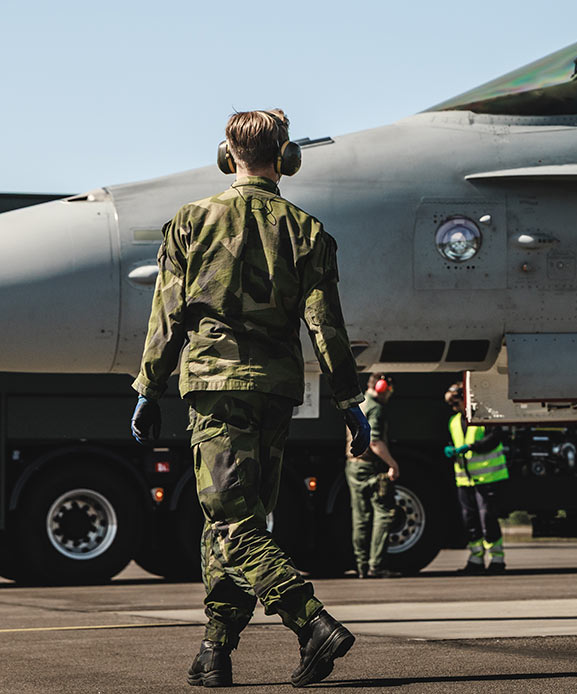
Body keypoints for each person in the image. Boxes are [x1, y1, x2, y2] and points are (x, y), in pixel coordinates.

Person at [129, 108, 371, 688]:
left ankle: (310, 621)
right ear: (286, 158)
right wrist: (348, 400)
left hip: (216, 390)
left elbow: (166, 315)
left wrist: (148, 387)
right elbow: (326, 326)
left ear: (226, 153)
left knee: (230, 519)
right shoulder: (307, 230)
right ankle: (216, 651)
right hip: (276, 391)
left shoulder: (190, 222)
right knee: (239, 520)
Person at [443, 382, 509, 573]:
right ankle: (476, 559)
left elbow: (494, 438)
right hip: (465, 479)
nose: (454, 408)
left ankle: (497, 560)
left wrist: (471, 447)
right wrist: (449, 449)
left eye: (457, 403)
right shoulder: (454, 421)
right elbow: (452, 441)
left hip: (488, 477)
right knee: (470, 520)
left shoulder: (483, 417)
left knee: (487, 518)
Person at [347, 373, 402, 578]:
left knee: (360, 518)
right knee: (384, 512)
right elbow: (375, 441)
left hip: (353, 466)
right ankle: (376, 566)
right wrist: (393, 464)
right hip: (370, 467)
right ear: (382, 387)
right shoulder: (376, 408)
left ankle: (362, 567)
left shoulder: (357, 405)